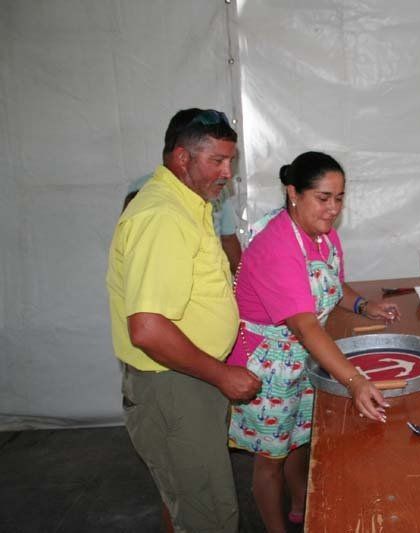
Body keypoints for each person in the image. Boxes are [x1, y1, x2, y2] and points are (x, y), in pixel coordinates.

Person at [106, 108, 262, 533]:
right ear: (181, 158)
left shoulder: (187, 204)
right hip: (176, 386)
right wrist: (222, 374)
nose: (227, 173)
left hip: (188, 381)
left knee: (203, 501)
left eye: (231, 161)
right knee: (207, 512)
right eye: (217, 161)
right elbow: (148, 328)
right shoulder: (161, 216)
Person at [227, 151, 400, 533]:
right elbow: (305, 326)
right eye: (323, 198)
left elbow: (332, 286)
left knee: (299, 437)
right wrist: (354, 381)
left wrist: (363, 305)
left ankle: (300, 504)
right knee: (270, 455)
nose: (333, 209)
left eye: (339, 198)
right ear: (293, 192)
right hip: (269, 364)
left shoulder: (322, 234)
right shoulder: (276, 245)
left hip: (304, 355)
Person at [123, 173, 242, 273]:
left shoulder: (218, 188)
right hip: (163, 273)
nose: (227, 172)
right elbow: (127, 238)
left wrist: (243, 285)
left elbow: (229, 238)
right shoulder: (145, 187)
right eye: (217, 160)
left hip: (210, 275)